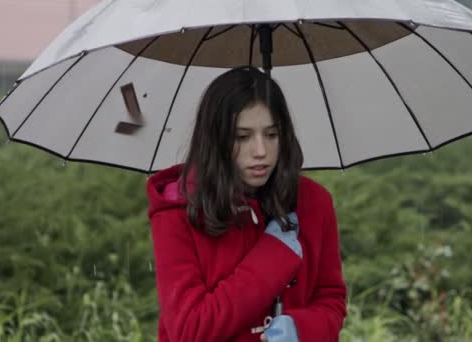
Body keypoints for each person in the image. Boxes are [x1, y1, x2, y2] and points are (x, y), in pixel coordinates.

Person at [146, 66, 347, 342]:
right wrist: (273, 258)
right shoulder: (178, 210)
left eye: (271, 134)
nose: (261, 151)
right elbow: (189, 330)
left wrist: (303, 329)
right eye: (242, 137)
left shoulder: (314, 203)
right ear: (216, 139)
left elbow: (331, 299)